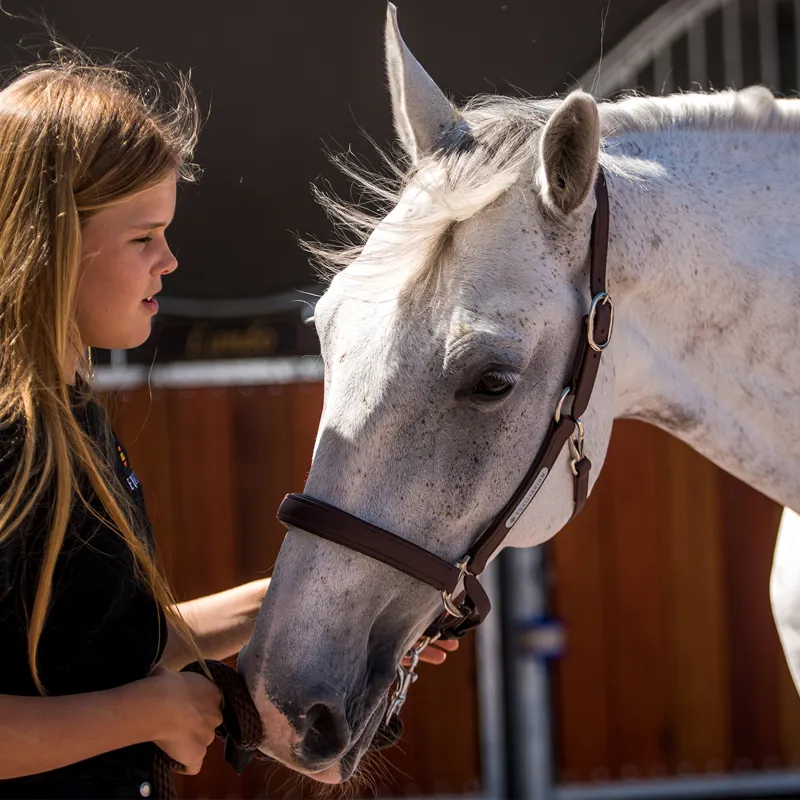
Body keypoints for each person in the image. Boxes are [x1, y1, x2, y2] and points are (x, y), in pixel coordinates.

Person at [0, 50, 455, 800]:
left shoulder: (70, 412)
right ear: (46, 245)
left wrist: (322, 607)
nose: (170, 261)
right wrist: (137, 713)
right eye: (143, 237)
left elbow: (99, 646)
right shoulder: (11, 437)